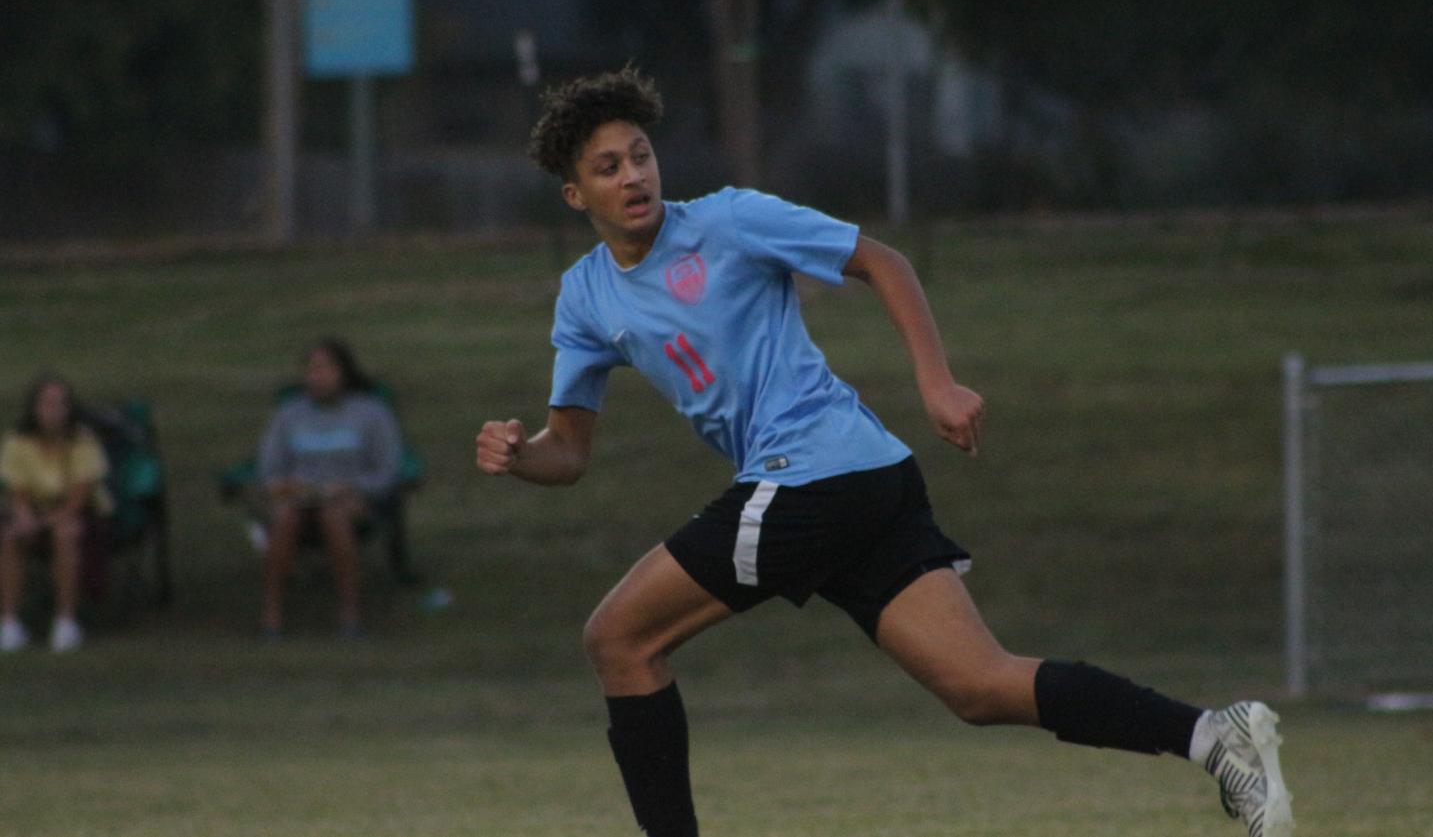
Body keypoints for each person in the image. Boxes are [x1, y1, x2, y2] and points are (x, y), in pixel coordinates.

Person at [474, 68, 1293, 837]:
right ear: (575, 193)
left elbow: (879, 260)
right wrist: (521, 454)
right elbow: (569, 451)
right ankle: (1212, 736)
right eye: (608, 167)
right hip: (853, 480)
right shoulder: (583, 296)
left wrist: (935, 383)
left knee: (619, 638)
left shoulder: (724, 219)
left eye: (640, 155)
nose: (633, 176)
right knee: (978, 685)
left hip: (815, 473)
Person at [256, 338, 402, 637]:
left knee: (332, 515)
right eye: (310, 370)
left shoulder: (370, 413)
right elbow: (270, 469)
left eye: (324, 369)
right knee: (286, 517)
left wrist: (352, 486)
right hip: (299, 500)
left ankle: (350, 613)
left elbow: (387, 471)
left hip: (351, 501)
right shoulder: (289, 415)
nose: (316, 376)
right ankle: (272, 612)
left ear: (343, 373)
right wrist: (285, 485)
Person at [0, 374, 110, 653]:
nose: (53, 411)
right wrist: (25, 517)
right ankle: (10, 623)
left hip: (78, 515)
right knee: (9, 536)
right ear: (34, 408)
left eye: (60, 404)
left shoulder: (82, 442)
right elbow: (18, 491)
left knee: (66, 534)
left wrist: (39, 524)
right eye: (47, 404)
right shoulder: (16, 443)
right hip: (36, 513)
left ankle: (65, 621)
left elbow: (78, 499)